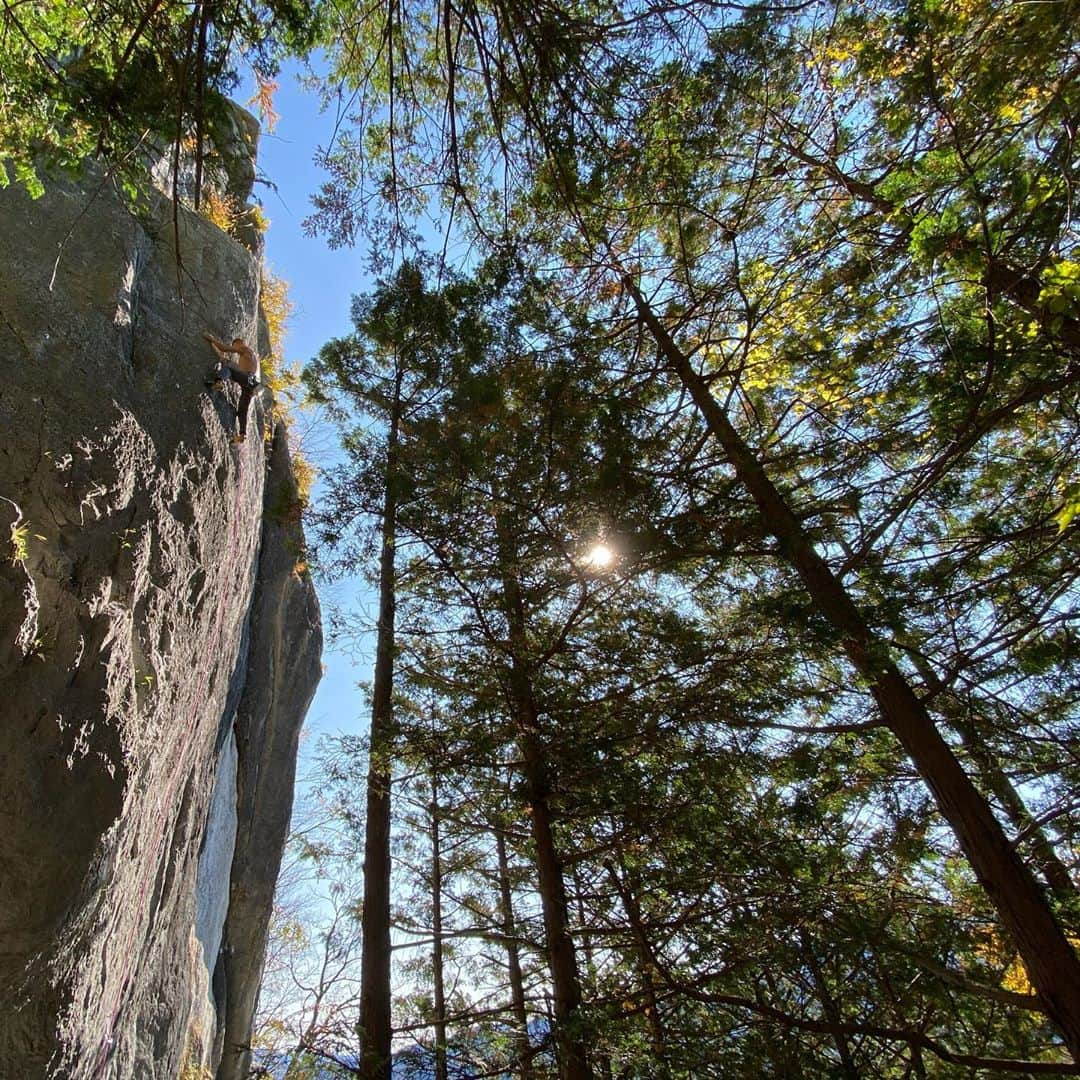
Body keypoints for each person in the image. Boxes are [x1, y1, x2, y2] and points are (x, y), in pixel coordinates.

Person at [203, 332, 260, 443]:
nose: (234, 349)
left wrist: (211, 339)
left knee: (228, 369)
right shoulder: (251, 359)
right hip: (252, 385)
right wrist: (213, 346)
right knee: (242, 410)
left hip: (248, 378)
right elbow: (224, 359)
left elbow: (224, 349)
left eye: (234, 346)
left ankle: (219, 382)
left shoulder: (244, 348)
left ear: (238, 343)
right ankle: (242, 435)